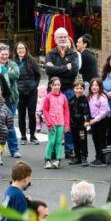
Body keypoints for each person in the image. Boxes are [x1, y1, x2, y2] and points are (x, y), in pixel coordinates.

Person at [44, 28, 80, 158]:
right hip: (53, 92)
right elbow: (48, 71)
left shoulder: (73, 54)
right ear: (55, 39)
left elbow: (74, 72)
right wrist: (65, 67)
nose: (63, 39)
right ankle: (53, 150)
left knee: (68, 121)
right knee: (53, 120)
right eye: (60, 37)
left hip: (69, 90)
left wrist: (56, 69)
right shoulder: (50, 53)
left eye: (65, 36)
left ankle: (69, 150)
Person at [0, 44, 22, 159]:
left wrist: (2, 73)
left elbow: (15, 75)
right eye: (2, 54)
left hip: (11, 99)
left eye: (6, 54)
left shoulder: (13, 64)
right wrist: (3, 73)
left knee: (9, 125)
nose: (5, 56)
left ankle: (14, 149)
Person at [15, 42, 41, 145]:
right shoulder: (13, 63)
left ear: (26, 49)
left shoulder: (32, 61)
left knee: (31, 114)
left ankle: (33, 135)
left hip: (32, 92)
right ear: (16, 51)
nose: (21, 50)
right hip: (19, 93)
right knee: (21, 115)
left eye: (23, 48)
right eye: (19, 48)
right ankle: (23, 136)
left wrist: (35, 85)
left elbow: (38, 75)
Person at [42, 78, 70, 169]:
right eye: (54, 85)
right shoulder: (48, 97)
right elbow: (45, 110)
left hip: (60, 123)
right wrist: (49, 123)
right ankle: (47, 160)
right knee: (51, 142)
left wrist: (67, 124)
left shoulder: (63, 97)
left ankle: (58, 160)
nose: (56, 87)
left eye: (58, 85)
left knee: (58, 142)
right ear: (51, 85)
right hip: (52, 124)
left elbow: (66, 111)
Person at [85, 79, 111, 167]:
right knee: (95, 139)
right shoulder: (90, 96)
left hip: (102, 121)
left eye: (96, 85)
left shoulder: (102, 97)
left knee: (101, 140)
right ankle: (98, 157)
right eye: (92, 85)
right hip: (93, 121)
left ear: (100, 87)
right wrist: (89, 119)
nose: (94, 87)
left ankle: (103, 159)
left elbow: (104, 111)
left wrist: (95, 120)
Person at [67, 81, 91, 166]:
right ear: (73, 89)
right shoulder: (70, 100)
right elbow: (68, 113)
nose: (79, 90)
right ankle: (77, 157)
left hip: (81, 126)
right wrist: (68, 124)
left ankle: (84, 157)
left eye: (81, 88)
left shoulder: (85, 100)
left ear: (84, 89)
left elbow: (87, 112)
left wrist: (87, 121)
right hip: (73, 125)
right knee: (75, 141)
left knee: (82, 140)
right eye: (77, 88)